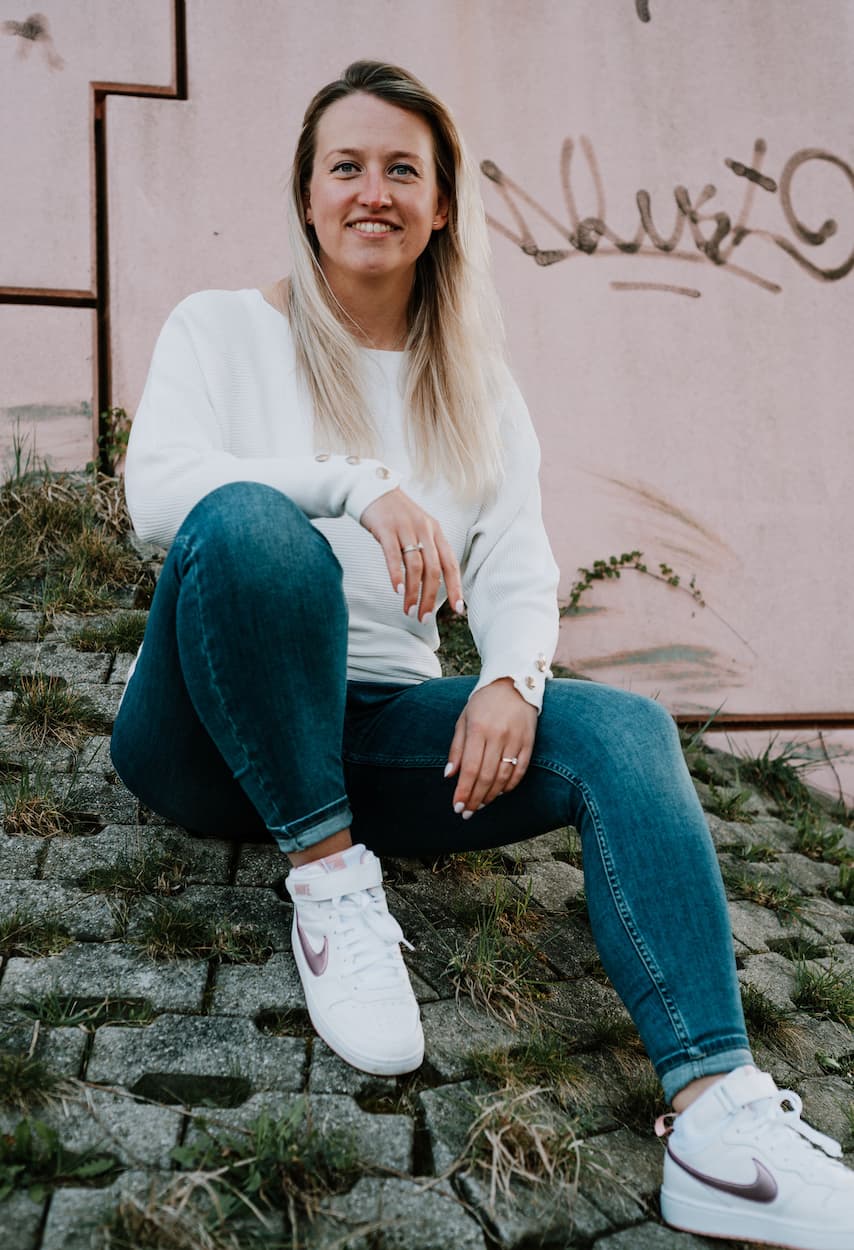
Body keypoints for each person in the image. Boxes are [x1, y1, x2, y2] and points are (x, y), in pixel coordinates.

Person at [110, 60, 853, 1250]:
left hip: (382, 730)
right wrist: (355, 486)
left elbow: (515, 561)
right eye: (343, 166)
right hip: (208, 727)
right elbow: (156, 495)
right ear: (305, 196)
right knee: (256, 529)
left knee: (623, 730)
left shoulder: (477, 387)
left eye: (402, 169)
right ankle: (328, 875)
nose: (372, 191)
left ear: (442, 205)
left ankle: (717, 1118)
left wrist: (511, 677)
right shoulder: (223, 326)